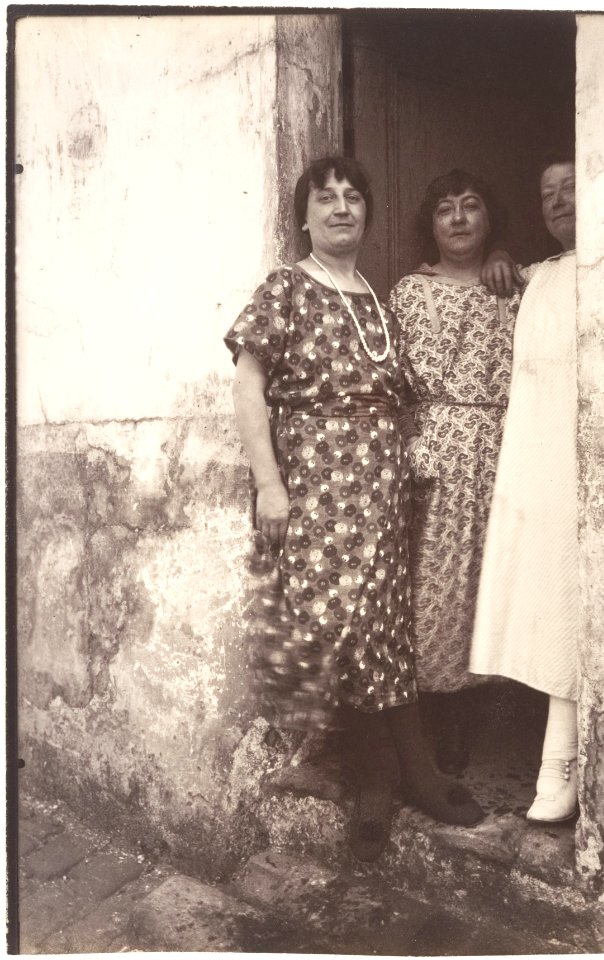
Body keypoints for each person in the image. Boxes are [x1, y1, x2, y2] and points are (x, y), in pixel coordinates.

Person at [224, 156, 484, 863]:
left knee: (384, 623)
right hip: (318, 487)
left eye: (352, 198)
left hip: (382, 486)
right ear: (303, 216)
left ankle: (387, 775)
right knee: (336, 623)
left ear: (366, 213)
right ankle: (394, 769)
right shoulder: (285, 287)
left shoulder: (377, 298)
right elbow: (250, 388)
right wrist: (268, 484)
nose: (341, 208)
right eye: (325, 198)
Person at [388, 170, 518, 774]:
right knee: (427, 586)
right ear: (431, 225)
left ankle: (475, 715)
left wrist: (505, 260)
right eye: (446, 210)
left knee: (487, 585)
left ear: (489, 221)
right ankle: (429, 720)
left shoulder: (514, 285)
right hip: (429, 451)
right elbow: (387, 381)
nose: (459, 218)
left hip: (504, 451)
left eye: (471, 206)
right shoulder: (409, 292)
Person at [470, 155, 579, 823]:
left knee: (575, 599)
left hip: (585, 460)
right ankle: (557, 758)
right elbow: (509, 278)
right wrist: (503, 256)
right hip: (538, 459)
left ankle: (561, 763)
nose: (561, 201)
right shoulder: (538, 276)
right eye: (549, 194)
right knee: (545, 600)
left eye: (573, 187)